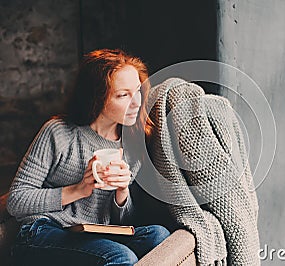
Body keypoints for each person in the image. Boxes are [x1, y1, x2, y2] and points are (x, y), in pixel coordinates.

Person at [6, 48, 170, 266]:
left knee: (159, 236)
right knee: (121, 256)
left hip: (92, 234)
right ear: (97, 97)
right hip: (42, 230)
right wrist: (78, 190)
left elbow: (124, 222)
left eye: (137, 91)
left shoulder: (132, 142)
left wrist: (122, 192)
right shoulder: (59, 132)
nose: (137, 102)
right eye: (123, 95)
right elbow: (16, 201)